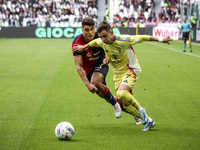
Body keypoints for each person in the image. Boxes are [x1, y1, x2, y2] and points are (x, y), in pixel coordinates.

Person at [73, 21, 173, 131]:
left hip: (130, 70)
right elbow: (94, 42)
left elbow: (142, 37)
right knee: (125, 104)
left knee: (121, 93)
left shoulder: (123, 39)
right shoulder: (101, 41)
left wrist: (161, 39)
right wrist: (84, 48)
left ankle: (141, 110)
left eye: (105, 36)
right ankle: (148, 120)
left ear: (111, 32)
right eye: (101, 37)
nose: (103, 39)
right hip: (117, 73)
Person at [72, 18, 142, 124]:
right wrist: (87, 84)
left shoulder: (100, 35)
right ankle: (137, 115)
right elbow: (78, 66)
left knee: (95, 82)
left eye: (92, 29)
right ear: (82, 29)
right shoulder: (77, 43)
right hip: (89, 70)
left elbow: (112, 45)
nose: (90, 32)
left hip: (101, 63)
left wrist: (109, 58)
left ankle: (115, 105)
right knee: (104, 95)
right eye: (87, 30)